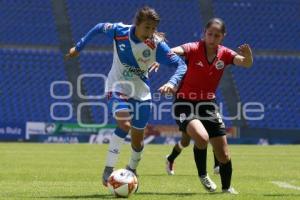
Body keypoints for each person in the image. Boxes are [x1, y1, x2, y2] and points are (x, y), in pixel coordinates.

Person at [66, 6, 187, 187]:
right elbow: (99, 27)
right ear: (136, 23)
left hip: (141, 93)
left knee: (137, 141)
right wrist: (78, 46)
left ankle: (132, 169)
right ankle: (108, 169)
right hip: (116, 87)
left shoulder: (157, 44)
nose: (150, 32)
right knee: (124, 124)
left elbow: (181, 65)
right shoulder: (119, 31)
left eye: (153, 28)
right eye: (147, 27)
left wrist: (171, 82)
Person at [169, 18, 253, 194]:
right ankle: (203, 175)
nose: (212, 38)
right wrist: (164, 51)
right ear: (204, 33)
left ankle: (226, 188)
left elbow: (245, 63)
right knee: (201, 137)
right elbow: (174, 51)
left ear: (223, 36)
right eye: (210, 34)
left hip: (208, 105)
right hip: (185, 103)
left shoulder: (225, 54)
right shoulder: (193, 48)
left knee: (223, 155)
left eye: (217, 35)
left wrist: (248, 55)